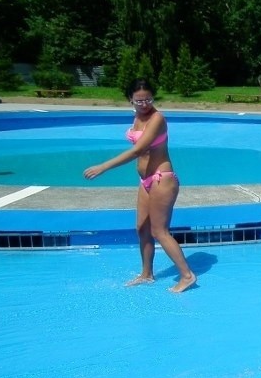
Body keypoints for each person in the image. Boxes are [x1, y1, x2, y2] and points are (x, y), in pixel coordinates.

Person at [83, 78, 196, 293]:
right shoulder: (138, 117)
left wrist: (103, 167)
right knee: (142, 228)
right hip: (145, 181)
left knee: (159, 231)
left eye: (148, 100)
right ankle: (147, 274)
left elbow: (137, 150)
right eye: (139, 101)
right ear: (130, 100)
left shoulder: (157, 118)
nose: (144, 104)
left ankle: (187, 275)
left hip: (162, 178)